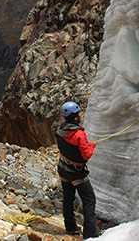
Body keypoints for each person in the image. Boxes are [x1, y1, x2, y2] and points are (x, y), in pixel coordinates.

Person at [56, 101, 100, 238]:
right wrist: (91, 145)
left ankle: (71, 227)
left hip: (63, 169)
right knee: (89, 200)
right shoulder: (78, 135)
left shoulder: (60, 130)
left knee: (68, 199)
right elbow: (86, 154)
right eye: (79, 113)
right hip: (77, 173)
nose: (80, 115)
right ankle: (90, 233)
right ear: (75, 117)